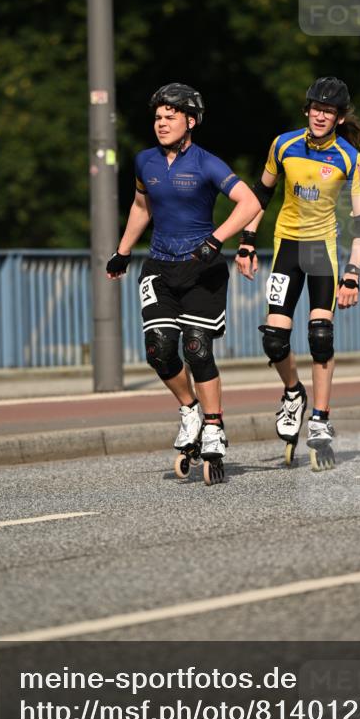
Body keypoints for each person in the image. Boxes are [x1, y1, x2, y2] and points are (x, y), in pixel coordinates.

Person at [106, 83, 261, 483]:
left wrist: (217, 240)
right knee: (158, 350)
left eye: (170, 117)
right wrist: (123, 251)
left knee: (196, 348)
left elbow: (250, 203)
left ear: (190, 121)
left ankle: (213, 426)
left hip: (202, 267)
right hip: (159, 264)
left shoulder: (208, 163)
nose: (161, 124)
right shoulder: (144, 162)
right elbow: (142, 207)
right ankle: (189, 409)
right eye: (157, 117)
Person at [235, 76, 360, 469]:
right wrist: (247, 241)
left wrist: (352, 273)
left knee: (320, 336)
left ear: (340, 118)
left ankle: (321, 420)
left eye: (328, 111)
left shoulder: (349, 157)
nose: (320, 115)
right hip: (286, 248)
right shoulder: (283, 145)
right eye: (315, 107)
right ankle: (294, 393)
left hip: (322, 253)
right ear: (306, 109)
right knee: (275, 340)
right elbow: (260, 195)